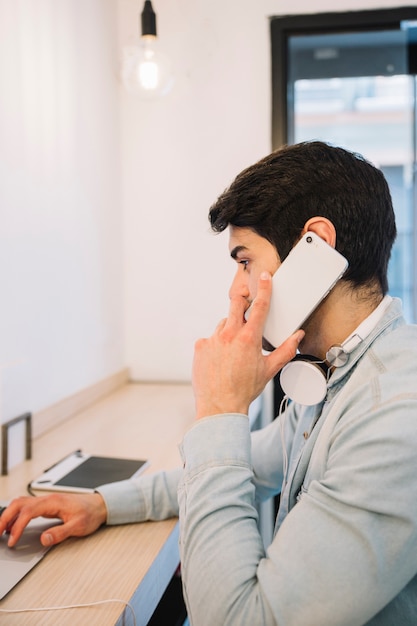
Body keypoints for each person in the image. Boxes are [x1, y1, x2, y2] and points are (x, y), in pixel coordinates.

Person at [1, 140, 417, 625]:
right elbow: (259, 465)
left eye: (244, 261)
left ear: (317, 247)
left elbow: (237, 620)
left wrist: (221, 411)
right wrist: (101, 504)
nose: (236, 289)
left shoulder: (393, 416)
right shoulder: (342, 369)